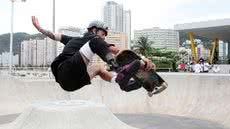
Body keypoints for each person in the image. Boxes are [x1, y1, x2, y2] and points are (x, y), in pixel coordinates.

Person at [32, 16, 156, 96]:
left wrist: (40, 29)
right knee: (95, 42)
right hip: (65, 69)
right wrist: (141, 59)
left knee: (98, 68)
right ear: (93, 30)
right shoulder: (92, 39)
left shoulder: (75, 40)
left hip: (70, 85)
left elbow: (53, 35)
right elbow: (118, 51)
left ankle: (120, 81)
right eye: (102, 33)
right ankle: (119, 70)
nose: (103, 37)